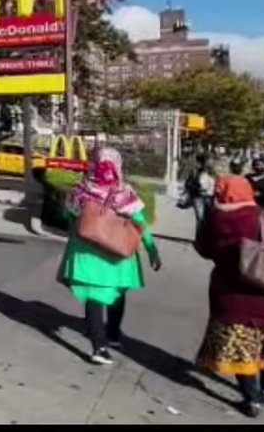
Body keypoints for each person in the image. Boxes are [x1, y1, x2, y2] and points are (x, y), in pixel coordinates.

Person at [194, 175, 264, 418]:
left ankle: (251, 398)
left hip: (231, 299)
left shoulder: (215, 221)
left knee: (241, 352)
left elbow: (203, 249)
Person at [58, 146, 162, 365]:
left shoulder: (80, 189)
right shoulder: (124, 192)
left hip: (87, 251)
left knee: (94, 296)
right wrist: (152, 250)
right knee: (116, 293)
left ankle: (99, 346)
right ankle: (113, 334)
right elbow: (140, 223)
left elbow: (67, 216)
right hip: (117, 252)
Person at [179, 154, 216, 223]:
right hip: (199, 197)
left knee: (208, 221)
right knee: (201, 220)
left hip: (210, 199)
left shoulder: (212, 173)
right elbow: (188, 184)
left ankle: (203, 232)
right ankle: (201, 233)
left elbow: (218, 184)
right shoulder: (195, 172)